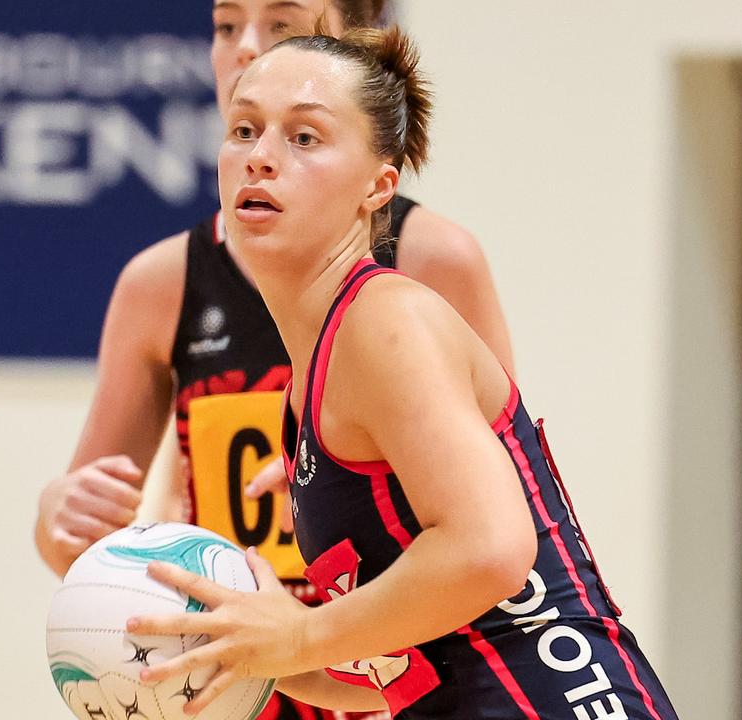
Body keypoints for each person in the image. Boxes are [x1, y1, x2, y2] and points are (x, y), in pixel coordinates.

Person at [124, 27, 680, 720]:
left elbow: (490, 550)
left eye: (304, 138)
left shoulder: (386, 322)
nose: (260, 158)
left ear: (377, 185)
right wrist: (266, 654)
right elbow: (412, 664)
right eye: (243, 129)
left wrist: (299, 634)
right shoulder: (314, 373)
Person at [35, 2, 512, 718]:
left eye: (283, 26)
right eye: (227, 26)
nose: (245, 48)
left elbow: (505, 526)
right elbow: (99, 544)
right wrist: (55, 520)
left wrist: (311, 627)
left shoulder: (411, 281)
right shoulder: (164, 281)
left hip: (394, 674)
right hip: (248, 677)